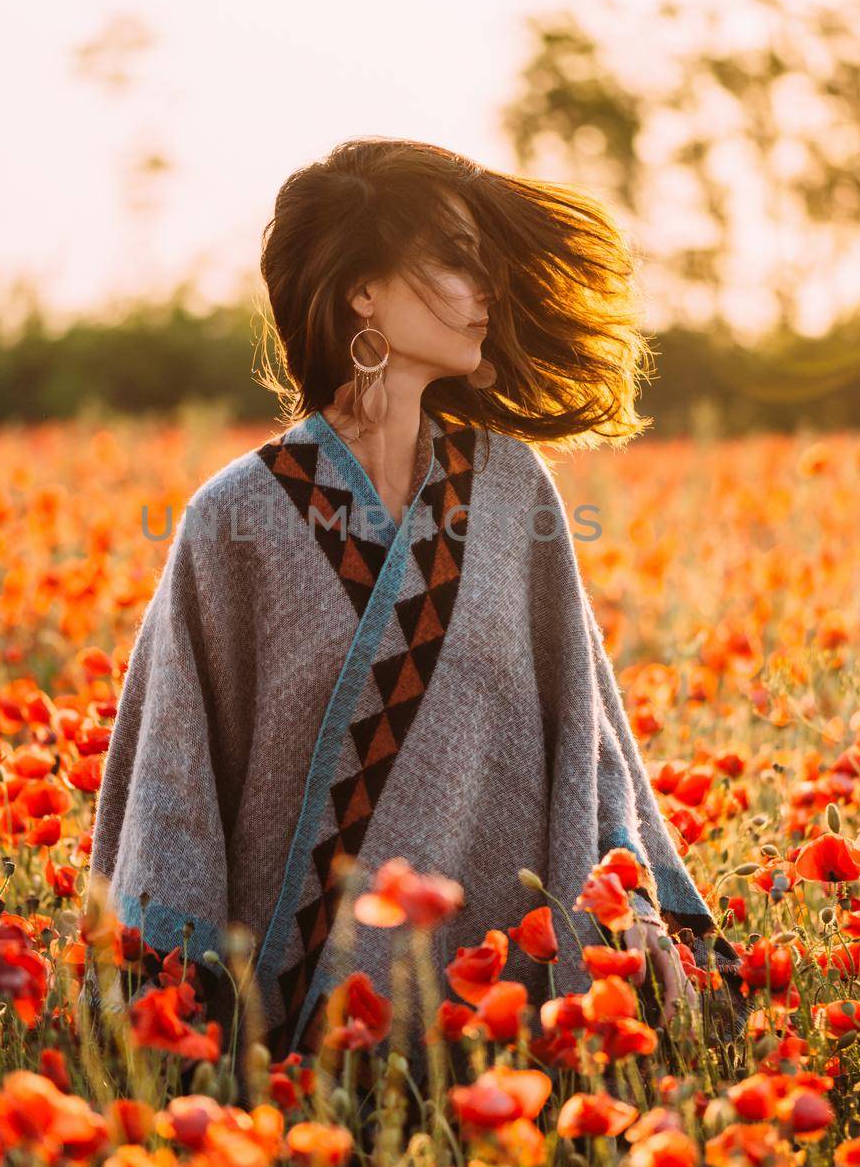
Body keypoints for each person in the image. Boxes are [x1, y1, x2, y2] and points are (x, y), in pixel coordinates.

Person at [85, 137, 746, 1082]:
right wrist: (181, 1021)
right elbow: (173, 783)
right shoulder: (235, 518)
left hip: (511, 1032)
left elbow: (587, 735)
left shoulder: (512, 490)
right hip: (299, 1051)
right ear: (362, 291)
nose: (487, 290)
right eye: (455, 259)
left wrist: (627, 894)